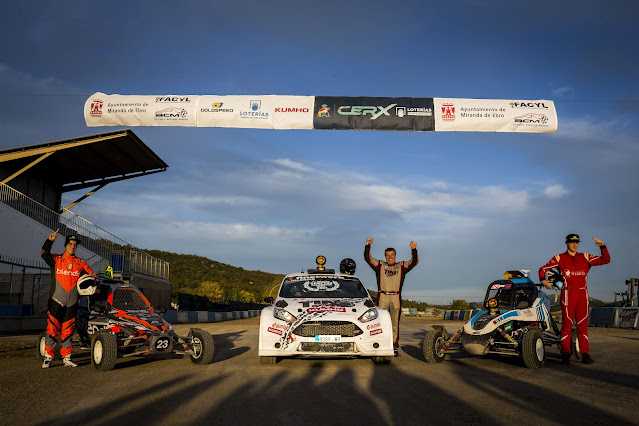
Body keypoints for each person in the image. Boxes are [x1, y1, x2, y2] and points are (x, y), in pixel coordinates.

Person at [538, 234, 610, 365]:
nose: (574, 244)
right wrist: (543, 280)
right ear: (567, 243)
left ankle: (585, 354)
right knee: (567, 325)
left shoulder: (585, 257)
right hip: (567, 294)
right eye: (572, 242)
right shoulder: (559, 257)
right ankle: (566, 354)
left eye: (576, 242)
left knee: (582, 326)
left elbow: (606, 259)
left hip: (582, 295)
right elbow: (542, 269)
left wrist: (602, 246)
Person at [40, 229, 94, 368]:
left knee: (68, 331)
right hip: (55, 301)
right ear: (65, 245)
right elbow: (43, 254)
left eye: (75, 244)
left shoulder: (81, 263)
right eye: (70, 244)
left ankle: (67, 357)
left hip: (72, 303)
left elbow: (92, 276)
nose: (73, 246)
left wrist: (94, 283)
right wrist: (49, 241)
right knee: (52, 329)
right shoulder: (57, 260)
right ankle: (48, 357)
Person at [364, 237, 418, 355]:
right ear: (385, 256)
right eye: (387, 255)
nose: (390, 257)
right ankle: (379, 344)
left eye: (392, 255)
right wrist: (368, 245)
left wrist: (414, 250)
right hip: (383, 296)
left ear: (395, 255)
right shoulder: (380, 265)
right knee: (379, 321)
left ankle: (394, 345)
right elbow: (368, 259)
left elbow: (413, 262)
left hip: (395, 296)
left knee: (395, 323)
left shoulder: (401, 265)